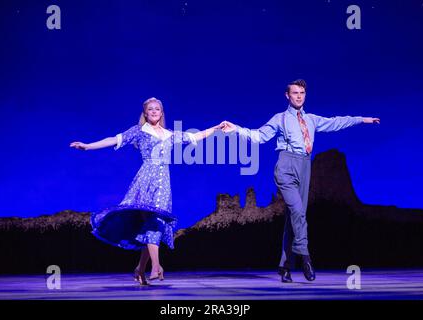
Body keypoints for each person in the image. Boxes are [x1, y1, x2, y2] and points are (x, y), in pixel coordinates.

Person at [222, 79, 380, 283]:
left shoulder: (311, 119)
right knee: (298, 211)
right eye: (295, 92)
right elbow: (259, 136)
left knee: (293, 218)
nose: (298, 96)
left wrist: (361, 119)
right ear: (287, 96)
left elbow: (336, 122)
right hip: (286, 165)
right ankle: (305, 257)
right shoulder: (280, 119)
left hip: (305, 166)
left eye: (302, 93)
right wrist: (236, 128)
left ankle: (285, 267)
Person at [70, 97, 223, 285]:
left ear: (161, 112)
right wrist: (88, 146)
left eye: (157, 109)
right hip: (145, 181)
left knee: (155, 222)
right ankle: (156, 266)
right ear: (145, 113)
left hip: (163, 183)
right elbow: (114, 139)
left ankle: (141, 269)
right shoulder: (139, 131)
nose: (154, 111)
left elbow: (195, 136)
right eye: (150, 109)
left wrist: (216, 128)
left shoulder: (169, 135)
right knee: (152, 221)